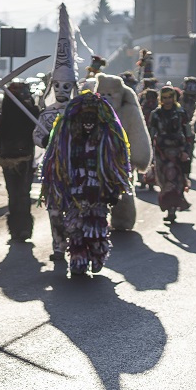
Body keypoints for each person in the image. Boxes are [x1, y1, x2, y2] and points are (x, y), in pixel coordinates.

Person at [40, 92, 131, 278]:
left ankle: (97, 255)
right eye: (84, 116)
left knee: (96, 228)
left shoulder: (105, 141)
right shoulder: (69, 141)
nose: (88, 120)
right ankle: (78, 260)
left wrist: (112, 189)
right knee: (75, 229)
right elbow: (58, 162)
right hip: (76, 191)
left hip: (97, 193)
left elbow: (114, 165)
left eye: (92, 116)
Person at [33, 4, 79, 261]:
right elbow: (38, 139)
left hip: (77, 169)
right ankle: (58, 245)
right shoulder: (47, 112)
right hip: (53, 169)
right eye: (58, 86)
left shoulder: (81, 110)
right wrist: (44, 136)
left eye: (66, 86)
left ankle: (75, 243)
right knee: (53, 209)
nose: (61, 90)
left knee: (75, 208)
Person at [92, 73, 152, 230]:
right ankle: (98, 218)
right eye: (102, 94)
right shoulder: (93, 111)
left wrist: (138, 157)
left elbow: (138, 134)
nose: (105, 97)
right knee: (97, 189)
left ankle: (123, 219)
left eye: (109, 94)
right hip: (98, 158)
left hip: (122, 159)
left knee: (123, 190)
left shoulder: (129, 111)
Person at [0, 81, 39, 242]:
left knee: (22, 194)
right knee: (14, 195)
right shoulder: (1, 115)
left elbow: (39, 131)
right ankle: (16, 228)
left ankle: (24, 228)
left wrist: (32, 109)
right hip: (8, 160)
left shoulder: (29, 113)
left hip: (25, 159)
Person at [147, 85, 193, 223]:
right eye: (165, 98)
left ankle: (172, 210)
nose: (167, 101)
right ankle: (168, 207)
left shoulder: (180, 113)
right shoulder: (156, 114)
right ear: (161, 98)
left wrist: (186, 151)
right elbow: (151, 134)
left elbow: (188, 133)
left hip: (178, 151)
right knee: (164, 181)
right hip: (161, 152)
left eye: (170, 97)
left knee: (176, 180)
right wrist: (149, 154)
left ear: (174, 98)